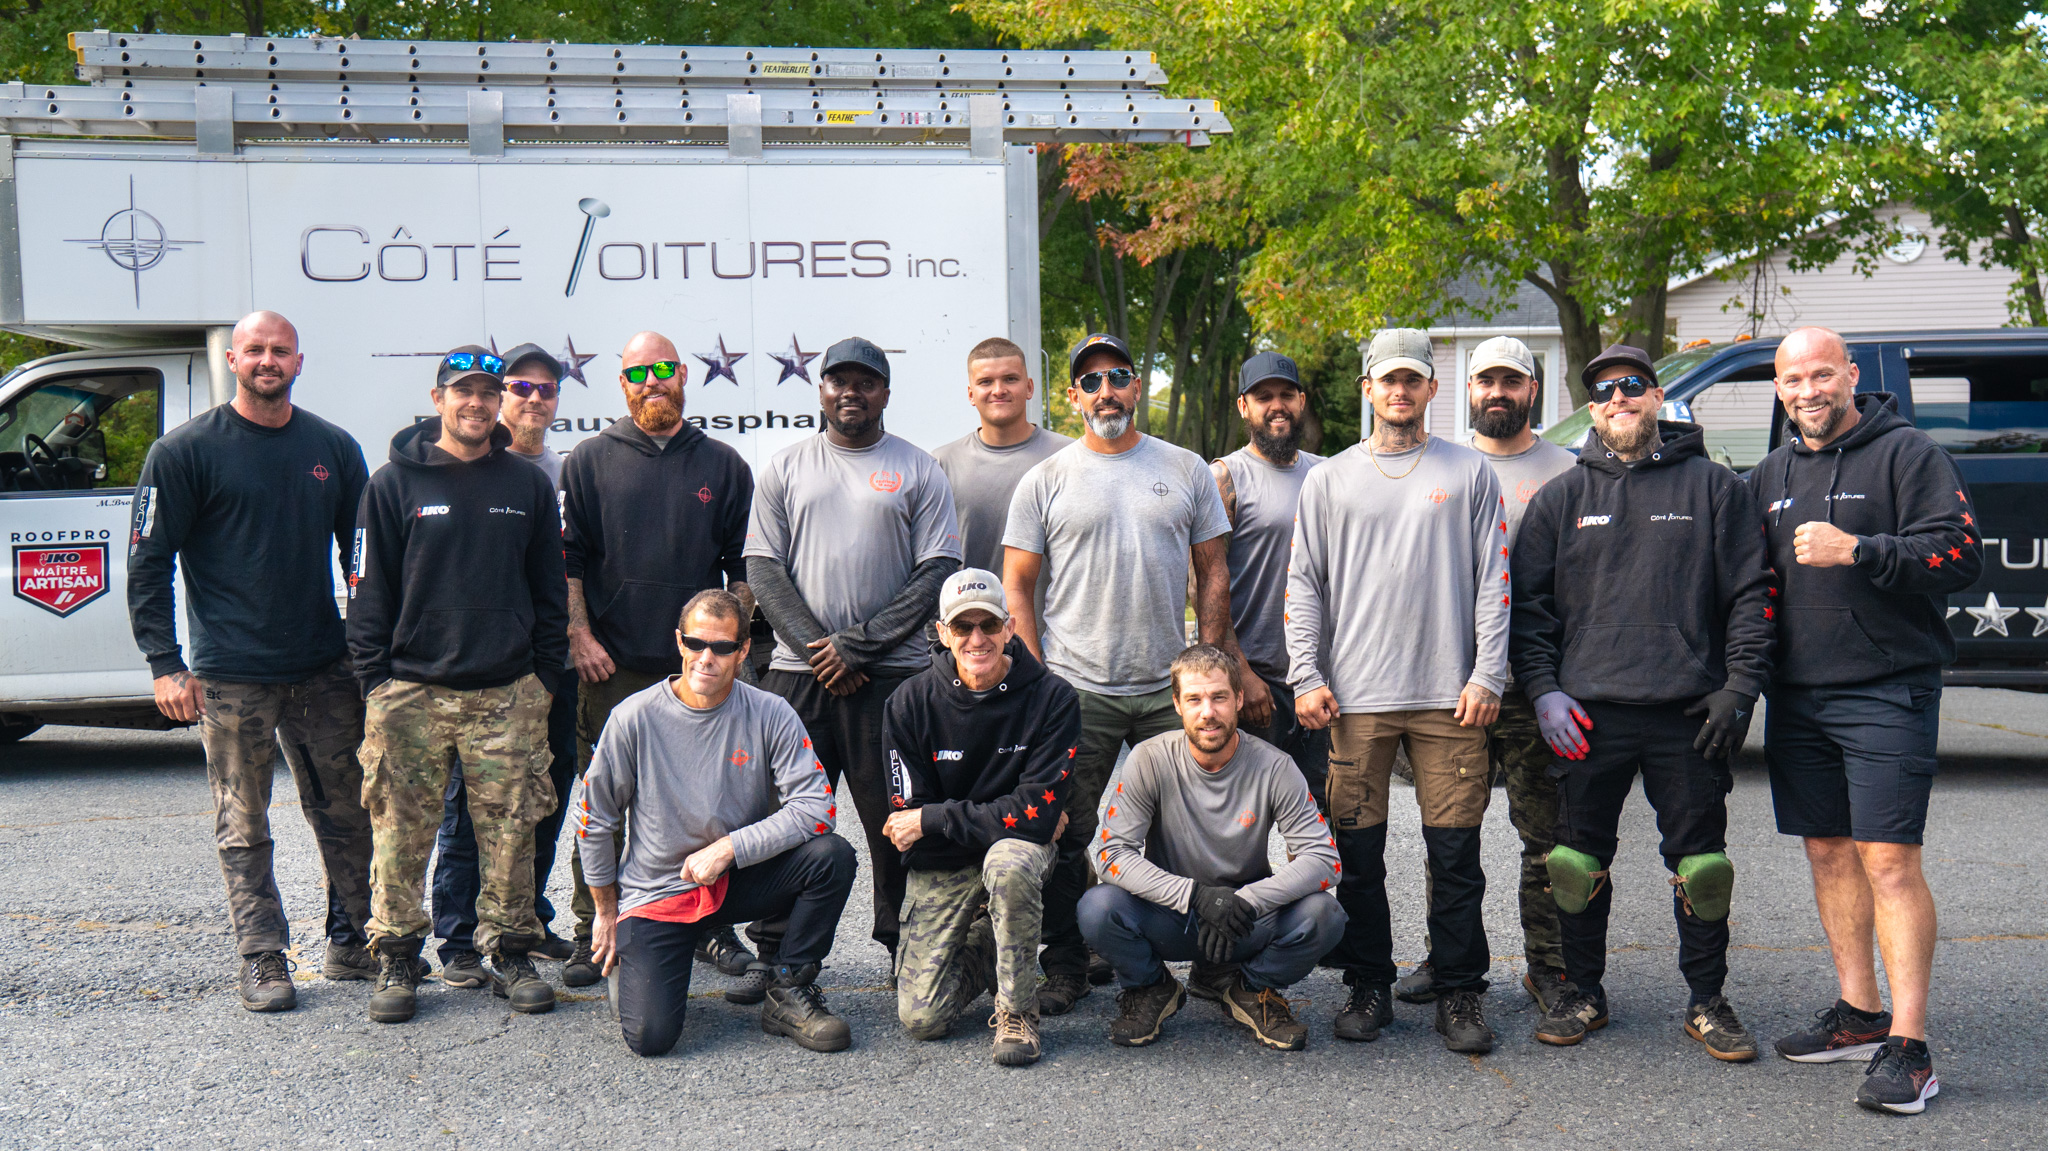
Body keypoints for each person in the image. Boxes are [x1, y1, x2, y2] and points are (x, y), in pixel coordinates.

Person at [1511, 343, 1774, 1062]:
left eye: (1631, 385)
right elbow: (1528, 611)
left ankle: (1708, 1000)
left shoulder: (1715, 488)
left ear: (1657, 397)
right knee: (1574, 862)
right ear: (1591, 410)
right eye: (1602, 392)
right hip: (1586, 716)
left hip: (1688, 714)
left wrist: (1739, 687)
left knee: (1704, 868)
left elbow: (1751, 596)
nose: (1618, 398)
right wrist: (1544, 690)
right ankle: (1582, 991)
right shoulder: (1561, 498)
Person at [1748, 326, 1978, 1114]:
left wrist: (1861, 550)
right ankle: (1859, 1012)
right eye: (1793, 380)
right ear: (1778, 390)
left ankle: (1910, 1046)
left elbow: (1960, 555)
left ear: (1850, 375)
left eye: (1822, 375)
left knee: (1889, 861)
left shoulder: (1908, 454)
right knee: (1827, 850)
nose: (1808, 391)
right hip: (1798, 695)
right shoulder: (1769, 473)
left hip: (1887, 689)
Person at [126, 309, 376, 1011]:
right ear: (233, 360)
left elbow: (361, 557)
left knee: (349, 811)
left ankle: (354, 940)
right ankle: (262, 956)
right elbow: (147, 561)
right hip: (230, 673)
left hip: (323, 667)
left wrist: (366, 649)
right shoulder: (184, 452)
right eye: (256, 349)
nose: (269, 360)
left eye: (281, 350)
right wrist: (164, 662)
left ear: (299, 362)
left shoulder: (333, 447)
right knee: (244, 822)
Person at [1284, 327, 1508, 1053]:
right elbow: (1304, 583)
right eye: (1389, 379)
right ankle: (1368, 983)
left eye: (1413, 379)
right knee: (1359, 855)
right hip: (1355, 699)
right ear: (1368, 389)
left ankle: (1460, 989)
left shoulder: (1470, 471)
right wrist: (1306, 674)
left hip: (1451, 696)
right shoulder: (1330, 479)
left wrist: (1488, 673)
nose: (1401, 391)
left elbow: (1493, 580)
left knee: (1456, 855)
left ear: (1432, 389)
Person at [1002, 332, 1236, 1015]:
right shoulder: (1046, 479)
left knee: (1198, 827)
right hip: (1078, 686)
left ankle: (1214, 964)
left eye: (1118, 377)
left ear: (1137, 387)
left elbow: (1213, 571)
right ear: (1073, 397)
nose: (1105, 390)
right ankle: (1070, 963)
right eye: (1090, 381)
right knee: (1067, 830)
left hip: (1170, 688)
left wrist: (1208, 668)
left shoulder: (1185, 468)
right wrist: (1038, 682)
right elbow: (1017, 586)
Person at [347, 345, 569, 1024]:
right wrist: (376, 683)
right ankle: (396, 955)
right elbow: (366, 591)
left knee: (512, 832)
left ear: (499, 402)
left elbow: (549, 590)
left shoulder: (526, 485)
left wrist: (542, 678)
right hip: (411, 692)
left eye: (487, 393)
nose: (476, 403)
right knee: (399, 834)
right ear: (438, 398)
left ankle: (510, 952)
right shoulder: (391, 485)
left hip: (506, 693)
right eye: (462, 391)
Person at [745, 336, 962, 968]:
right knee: (788, 814)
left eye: (865, 383)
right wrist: (823, 652)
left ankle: (903, 948)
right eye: (839, 381)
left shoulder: (920, 469)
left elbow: (937, 570)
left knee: (897, 820)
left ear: (885, 393)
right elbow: (763, 569)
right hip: (799, 678)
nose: (851, 393)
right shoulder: (785, 468)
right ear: (821, 390)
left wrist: (857, 647)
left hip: (892, 680)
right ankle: (777, 952)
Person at [557, 331, 757, 991]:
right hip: (611, 668)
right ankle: (594, 926)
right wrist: (580, 636)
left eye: (664, 368)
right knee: (603, 802)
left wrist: (726, 647)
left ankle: (710, 927)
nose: (653, 381)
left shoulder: (723, 465)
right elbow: (570, 561)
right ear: (622, 384)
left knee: (710, 802)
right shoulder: (589, 461)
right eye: (638, 372)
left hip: (699, 672)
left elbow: (742, 569)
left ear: (684, 376)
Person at [581, 590, 857, 1057]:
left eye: (722, 647)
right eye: (696, 643)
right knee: (650, 1038)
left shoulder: (771, 712)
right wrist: (606, 913)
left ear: (743, 650)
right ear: (679, 642)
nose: (706, 658)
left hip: (735, 879)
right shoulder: (632, 719)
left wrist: (729, 848)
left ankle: (788, 986)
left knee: (831, 857)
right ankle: (650, 957)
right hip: (659, 893)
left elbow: (817, 807)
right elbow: (595, 819)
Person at [1394, 336, 1579, 1012]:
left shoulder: (1569, 472)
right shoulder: (1435, 466)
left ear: (1533, 389)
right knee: (1450, 835)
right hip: (1453, 687)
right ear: (1467, 390)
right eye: (1486, 380)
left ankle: (1550, 966)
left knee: (1547, 839)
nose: (1498, 391)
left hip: (1536, 686)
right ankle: (1448, 957)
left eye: (1512, 380)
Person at [1080, 645, 1344, 1052]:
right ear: (1177, 704)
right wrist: (1195, 896)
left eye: (1219, 697)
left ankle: (1250, 989)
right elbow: (1112, 855)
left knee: (1324, 914)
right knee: (1097, 908)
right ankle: (1151, 987)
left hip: (1243, 919)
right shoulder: (1149, 759)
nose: (1208, 712)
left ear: (1238, 699)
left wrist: (1249, 900)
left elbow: (1324, 860)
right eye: (1194, 699)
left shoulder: (1275, 766)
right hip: (1171, 913)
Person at [882, 569, 1082, 1065]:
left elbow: (1033, 820)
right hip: (945, 862)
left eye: (989, 625)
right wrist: (1014, 816)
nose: (977, 639)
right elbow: (909, 824)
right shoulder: (908, 703)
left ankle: (1017, 1012)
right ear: (942, 632)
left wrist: (935, 818)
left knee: (1009, 864)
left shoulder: (1054, 698)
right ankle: (995, 940)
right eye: (963, 626)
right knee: (923, 1019)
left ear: (1009, 628)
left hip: (1010, 856)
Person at [430, 343, 580, 991]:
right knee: (467, 810)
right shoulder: (468, 468)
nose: (534, 399)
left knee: (541, 800)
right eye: (521, 387)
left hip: (547, 669)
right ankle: (458, 933)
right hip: (480, 673)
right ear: (499, 398)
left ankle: (526, 919)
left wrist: (552, 667)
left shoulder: (566, 472)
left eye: (547, 389)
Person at [933, 337, 1073, 575]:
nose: (998, 390)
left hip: (1051, 602)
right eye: (986, 382)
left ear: (1029, 387)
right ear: (971, 394)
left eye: (1010, 379)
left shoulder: (1068, 456)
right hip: (967, 600)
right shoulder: (942, 464)